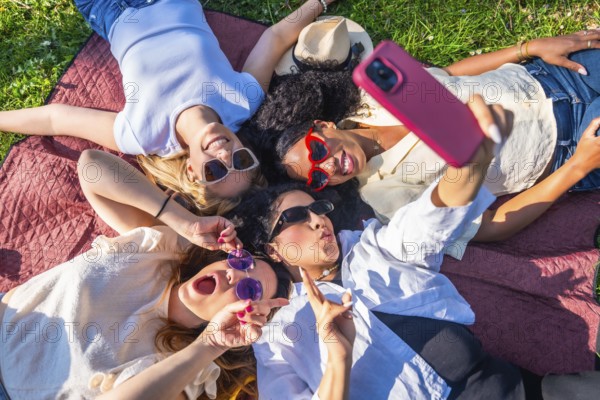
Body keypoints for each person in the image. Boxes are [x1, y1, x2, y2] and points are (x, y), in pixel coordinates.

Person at [229, 99, 600, 399]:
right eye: (296, 216)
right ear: (272, 250)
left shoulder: (374, 248)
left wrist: (473, 159)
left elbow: (434, 213)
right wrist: (337, 355)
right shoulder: (279, 337)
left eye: (319, 208)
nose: (317, 220)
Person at [248, 28, 600, 258]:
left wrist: (529, 47)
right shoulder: (388, 201)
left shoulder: (371, 96)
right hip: (572, 144)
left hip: (551, 74)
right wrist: (578, 166)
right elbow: (490, 226)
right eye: (318, 178)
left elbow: (449, 77)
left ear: (322, 126)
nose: (328, 167)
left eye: (317, 151)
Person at [0, 148, 293, 399]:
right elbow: (91, 166)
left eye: (249, 291)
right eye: (241, 263)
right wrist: (184, 222)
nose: (234, 275)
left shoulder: (188, 368)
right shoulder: (165, 251)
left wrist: (212, 344)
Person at [0, 0, 336, 215]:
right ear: (247, 148)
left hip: (110, 11)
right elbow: (275, 38)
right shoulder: (242, 101)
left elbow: (56, 118)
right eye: (240, 161)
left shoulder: (143, 136)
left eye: (215, 172)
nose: (223, 155)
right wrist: (318, 3)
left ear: (192, 170)